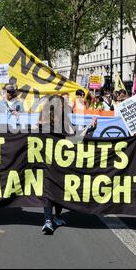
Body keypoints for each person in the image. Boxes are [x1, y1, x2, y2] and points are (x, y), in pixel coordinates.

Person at [38, 95, 96, 234]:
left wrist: (90, 128)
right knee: (49, 189)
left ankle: (56, 216)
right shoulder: (43, 123)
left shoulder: (65, 123)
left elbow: (75, 137)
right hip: (49, 162)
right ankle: (48, 220)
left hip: (61, 162)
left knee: (58, 189)